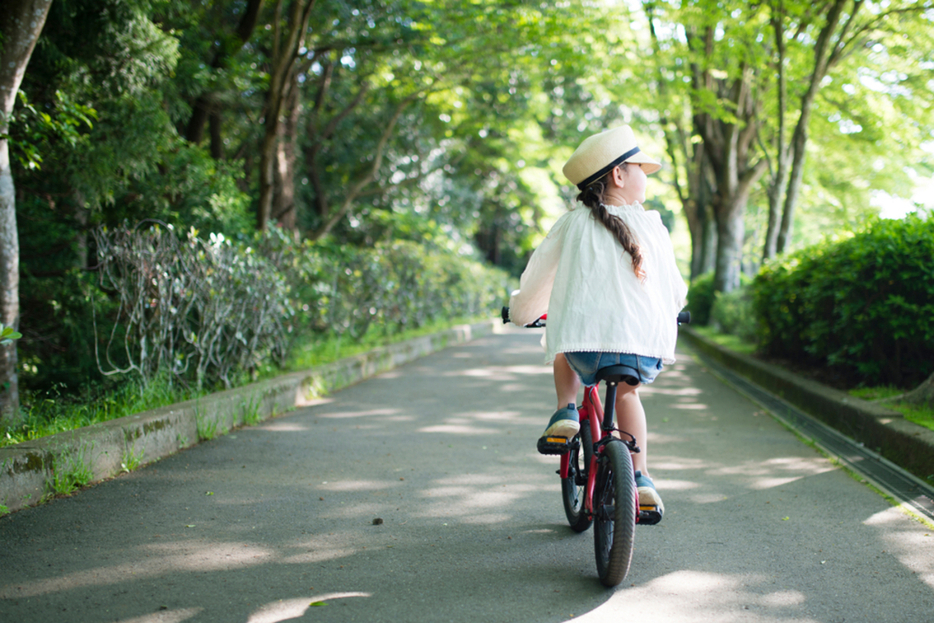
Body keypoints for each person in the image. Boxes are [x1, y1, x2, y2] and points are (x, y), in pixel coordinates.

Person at [508, 124, 687, 519]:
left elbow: (537, 281)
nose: (646, 176)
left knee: (564, 344)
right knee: (627, 394)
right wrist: (672, 312)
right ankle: (640, 478)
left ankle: (566, 411)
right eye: (641, 167)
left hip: (584, 348)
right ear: (619, 175)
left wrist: (521, 313)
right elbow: (675, 289)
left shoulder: (571, 224)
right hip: (640, 348)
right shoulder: (654, 226)